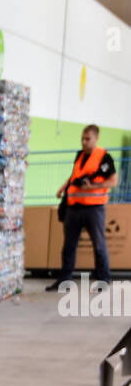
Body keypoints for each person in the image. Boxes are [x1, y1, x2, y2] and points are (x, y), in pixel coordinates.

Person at [46, 124, 117, 290]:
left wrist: (91, 187)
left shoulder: (105, 158)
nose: (84, 142)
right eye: (82, 139)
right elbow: (74, 176)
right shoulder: (79, 155)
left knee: (99, 245)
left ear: (96, 138)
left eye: (88, 139)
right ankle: (64, 281)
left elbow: (113, 181)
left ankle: (103, 279)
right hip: (74, 208)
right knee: (68, 246)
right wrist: (63, 188)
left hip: (94, 209)